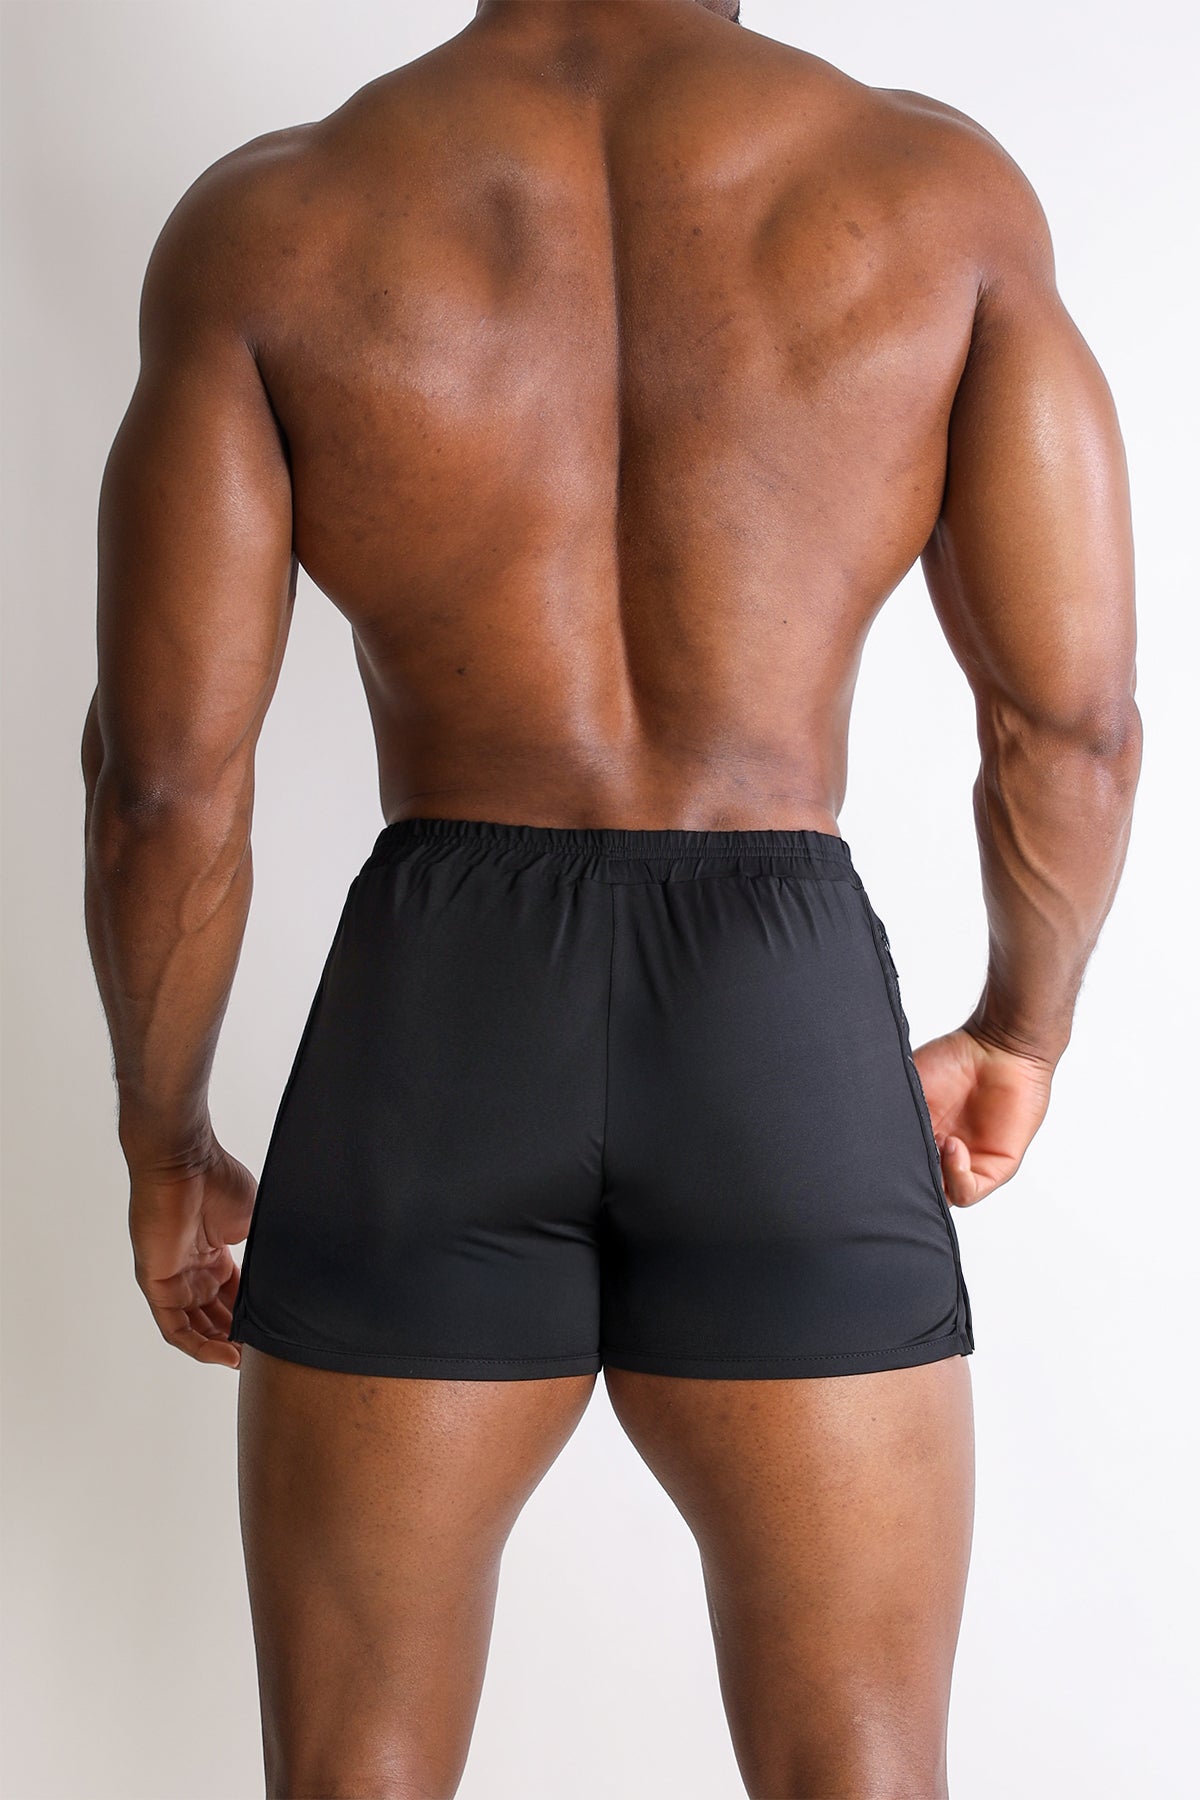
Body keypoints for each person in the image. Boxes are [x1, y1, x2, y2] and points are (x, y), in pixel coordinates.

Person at [80, 1, 1141, 1794]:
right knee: (865, 1772)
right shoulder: (936, 195)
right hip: (781, 1024)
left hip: (438, 1019)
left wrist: (164, 1137)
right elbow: (1075, 727)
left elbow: (165, 785)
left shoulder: (280, 219)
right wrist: (1021, 1031)